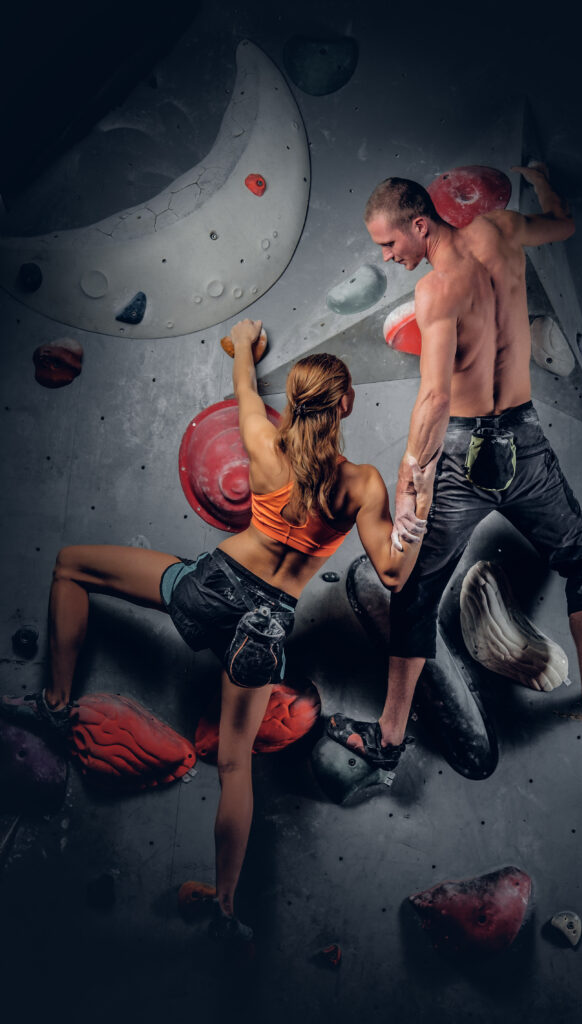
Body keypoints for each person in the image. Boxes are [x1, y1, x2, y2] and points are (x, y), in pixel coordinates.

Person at [0, 318, 438, 940]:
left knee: (71, 565)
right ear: (346, 405)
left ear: (294, 401)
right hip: (264, 628)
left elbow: (243, 387)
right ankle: (226, 906)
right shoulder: (362, 485)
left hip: (211, 589)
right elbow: (393, 573)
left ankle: (53, 704)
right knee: (235, 767)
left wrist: (244, 344)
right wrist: (415, 504)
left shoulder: (263, 442)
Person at [327, 166, 582, 773]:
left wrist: (412, 479)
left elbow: (436, 399)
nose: (389, 257)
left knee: (415, 595)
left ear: (420, 224)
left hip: (462, 455)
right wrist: (544, 182)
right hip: (524, 441)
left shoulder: (436, 292)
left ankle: (388, 741)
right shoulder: (502, 231)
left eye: (390, 244)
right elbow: (564, 222)